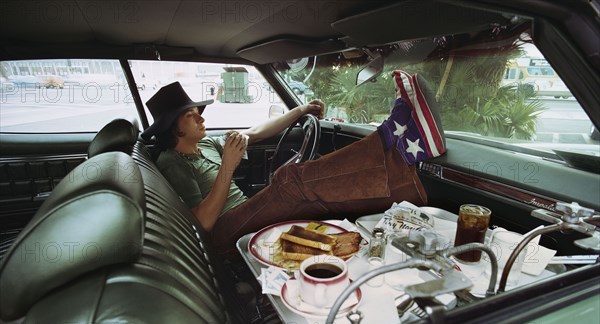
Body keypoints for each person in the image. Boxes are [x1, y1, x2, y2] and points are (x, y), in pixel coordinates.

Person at [143, 71, 445, 257]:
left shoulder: (206, 143)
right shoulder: (172, 162)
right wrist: (227, 168)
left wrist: (300, 110)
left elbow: (257, 132)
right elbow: (202, 224)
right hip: (223, 236)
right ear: (174, 128)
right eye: (191, 115)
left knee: (313, 200)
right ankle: (393, 140)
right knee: (290, 182)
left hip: (244, 213)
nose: (201, 117)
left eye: (199, 111)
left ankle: (405, 169)